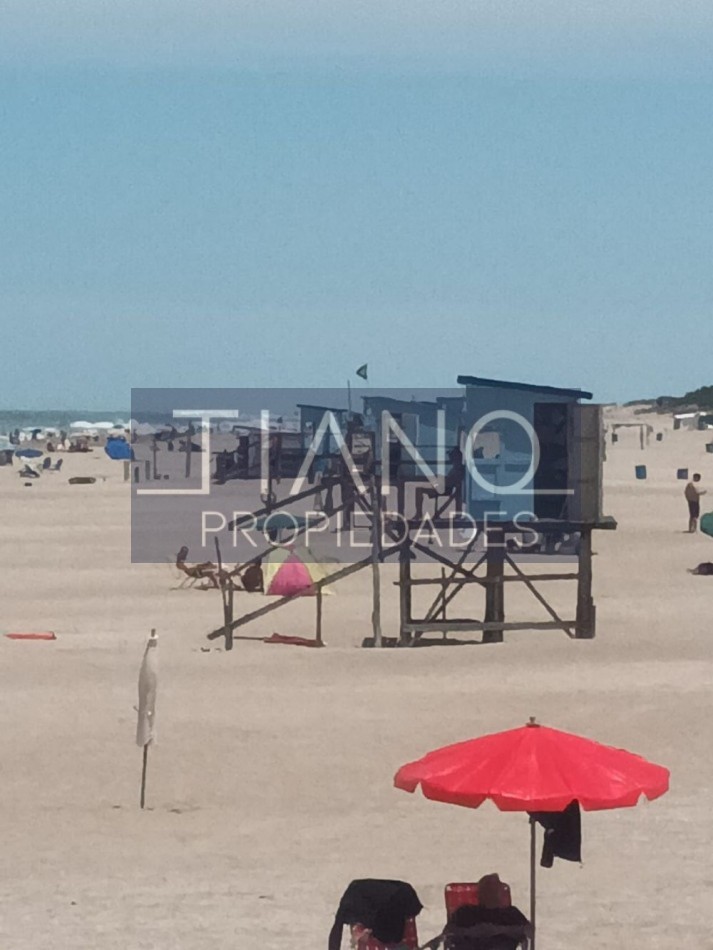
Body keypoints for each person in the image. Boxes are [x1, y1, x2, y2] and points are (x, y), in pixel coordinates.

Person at [445, 874, 531, 950]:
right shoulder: (465, 911)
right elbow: (448, 931)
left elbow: (529, 930)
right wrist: (471, 931)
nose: (491, 893)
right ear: (479, 893)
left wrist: (499, 930)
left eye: (494, 890)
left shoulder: (511, 913)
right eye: (487, 889)